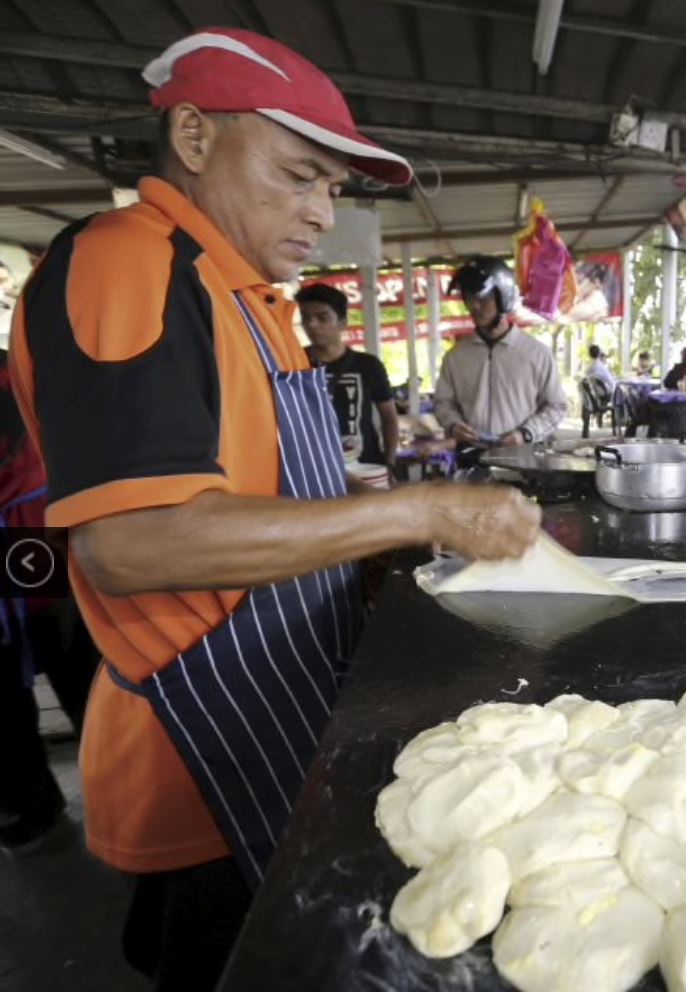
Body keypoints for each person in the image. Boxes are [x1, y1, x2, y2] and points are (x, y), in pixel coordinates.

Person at [8, 29, 539, 988]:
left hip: (285, 698)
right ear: (195, 137)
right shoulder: (131, 265)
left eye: (331, 188)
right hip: (203, 739)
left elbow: (250, 484)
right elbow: (131, 544)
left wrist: (352, 510)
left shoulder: (246, 296)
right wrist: (418, 512)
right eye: (299, 176)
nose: (321, 212)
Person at [0, 348, 100, 855]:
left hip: (34, 536)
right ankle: (31, 805)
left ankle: (113, 795)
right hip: (35, 533)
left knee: (77, 668)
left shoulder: (16, 367)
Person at [435, 255, 568, 447]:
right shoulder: (455, 358)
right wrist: (454, 425)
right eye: (469, 298)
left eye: (483, 298)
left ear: (503, 297)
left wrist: (526, 434)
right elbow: (444, 403)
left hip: (521, 456)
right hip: (472, 455)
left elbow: (556, 406)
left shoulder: (537, 354)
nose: (474, 306)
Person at [296, 282, 400, 469]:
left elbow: (389, 417)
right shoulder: (293, 365)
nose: (311, 324)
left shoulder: (368, 365)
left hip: (365, 467)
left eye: (322, 318)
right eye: (306, 317)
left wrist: (389, 462)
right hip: (313, 469)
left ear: (343, 323)